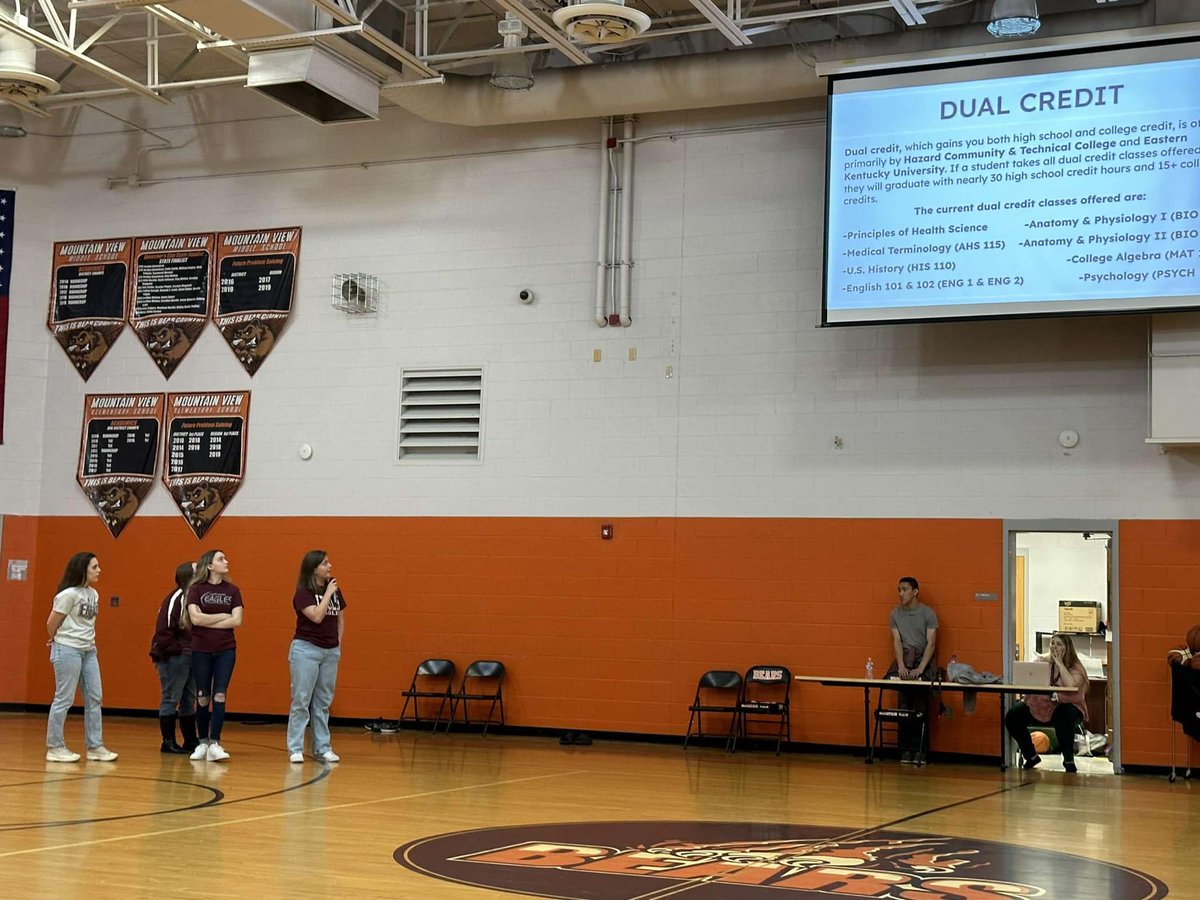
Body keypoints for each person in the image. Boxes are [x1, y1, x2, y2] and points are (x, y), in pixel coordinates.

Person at [45, 552, 118, 763]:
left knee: (95, 697)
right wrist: (55, 639)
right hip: (68, 649)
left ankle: (95, 746)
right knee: (64, 698)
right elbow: (51, 622)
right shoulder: (68, 595)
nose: (99, 570)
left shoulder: (93, 594)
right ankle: (55, 746)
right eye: (94, 567)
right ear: (82, 569)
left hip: (89, 650)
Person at [286, 550, 348, 764]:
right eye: (324, 563)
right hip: (306, 650)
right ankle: (295, 748)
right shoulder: (303, 593)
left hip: (330, 651)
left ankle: (323, 747)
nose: (329, 566)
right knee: (301, 700)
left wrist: (338, 642)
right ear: (314, 568)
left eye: (329, 562)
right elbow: (317, 616)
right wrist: (329, 593)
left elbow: (340, 616)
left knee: (323, 701)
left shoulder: (334, 589)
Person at [186, 550, 243, 762]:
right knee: (202, 697)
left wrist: (207, 618)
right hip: (201, 650)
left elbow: (236, 620)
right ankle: (202, 743)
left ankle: (215, 743)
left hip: (226, 650)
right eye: (221, 559)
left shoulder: (233, 590)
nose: (226, 561)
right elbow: (195, 619)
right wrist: (221, 616)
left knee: (220, 695)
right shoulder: (196, 589)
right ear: (210, 566)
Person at [1005, 632, 1089, 773]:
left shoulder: (1076, 668)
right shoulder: (1041, 662)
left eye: (1059, 644)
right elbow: (1028, 677)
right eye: (1052, 643)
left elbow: (1071, 686)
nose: (1054, 647)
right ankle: (1030, 755)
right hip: (1040, 704)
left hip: (1064, 707)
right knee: (1013, 716)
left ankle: (1068, 759)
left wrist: (1060, 664)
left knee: (1065, 715)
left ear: (1067, 648)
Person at [887, 576, 938, 764]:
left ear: (915, 591)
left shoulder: (928, 613)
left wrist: (921, 668)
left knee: (920, 707)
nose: (901, 593)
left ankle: (921, 750)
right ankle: (906, 750)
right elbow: (897, 641)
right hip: (905, 660)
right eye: (899, 590)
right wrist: (900, 665)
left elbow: (931, 643)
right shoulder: (895, 614)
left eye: (904, 589)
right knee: (904, 706)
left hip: (922, 659)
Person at [150, 561, 199, 754]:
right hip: (175, 656)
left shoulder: (196, 597)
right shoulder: (177, 597)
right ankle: (168, 741)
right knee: (171, 697)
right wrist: (176, 649)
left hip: (191, 654)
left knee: (189, 698)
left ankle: (190, 740)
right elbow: (164, 629)